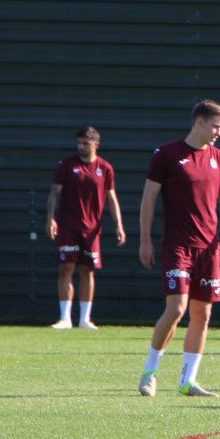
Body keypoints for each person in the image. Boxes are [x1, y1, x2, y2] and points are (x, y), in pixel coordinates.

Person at [137, 100, 220, 397]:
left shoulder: (219, 158)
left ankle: (188, 381)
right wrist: (145, 239)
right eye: (216, 126)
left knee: (203, 313)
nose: (219, 133)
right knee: (177, 308)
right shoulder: (166, 154)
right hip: (178, 245)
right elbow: (148, 198)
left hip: (209, 248)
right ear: (199, 122)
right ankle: (150, 372)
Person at [46, 127, 126, 329]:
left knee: (87, 270)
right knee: (66, 268)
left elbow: (112, 198)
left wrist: (119, 225)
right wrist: (51, 218)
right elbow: (54, 193)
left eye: (85, 143)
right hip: (68, 226)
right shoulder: (67, 165)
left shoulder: (105, 168)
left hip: (92, 229)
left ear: (96, 145)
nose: (81, 146)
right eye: (79, 143)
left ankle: (85, 319)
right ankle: (65, 318)